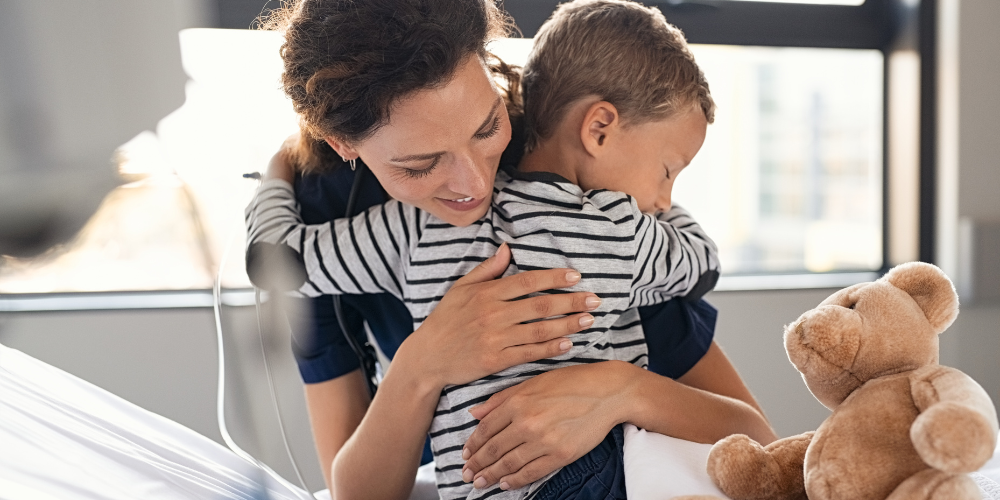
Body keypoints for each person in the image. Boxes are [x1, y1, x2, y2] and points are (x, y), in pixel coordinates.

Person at [249, 1, 777, 499]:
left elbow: (757, 440)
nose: (475, 183)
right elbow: (356, 492)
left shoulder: (596, 193)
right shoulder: (327, 210)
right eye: (419, 165)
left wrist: (618, 390)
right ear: (342, 143)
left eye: (487, 127)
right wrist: (424, 362)